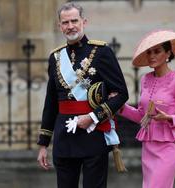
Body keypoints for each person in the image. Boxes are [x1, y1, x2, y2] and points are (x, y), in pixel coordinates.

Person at [37, 2, 128, 188]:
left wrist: (94, 117)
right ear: (59, 26)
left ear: (83, 22)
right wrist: (43, 143)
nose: (70, 26)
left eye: (74, 21)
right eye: (65, 22)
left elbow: (122, 94)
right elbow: (51, 102)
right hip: (64, 137)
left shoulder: (102, 52)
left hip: (92, 135)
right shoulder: (55, 58)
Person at [118, 30, 175, 188]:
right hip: (148, 148)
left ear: (168, 53)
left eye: (157, 51)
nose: (152, 56)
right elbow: (141, 115)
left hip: (168, 149)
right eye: (149, 52)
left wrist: (169, 118)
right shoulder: (145, 79)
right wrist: (120, 107)